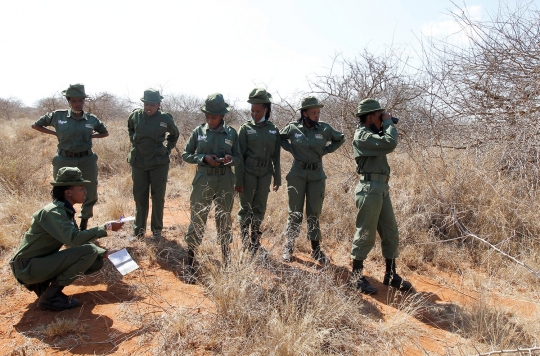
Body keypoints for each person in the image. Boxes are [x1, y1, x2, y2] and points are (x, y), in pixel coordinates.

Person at [9, 167, 124, 311]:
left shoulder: (63, 210)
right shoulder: (54, 212)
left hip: (32, 264)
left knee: (94, 258)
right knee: (89, 252)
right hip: (27, 268)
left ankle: (41, 285)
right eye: (81, 188)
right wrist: (106, 227)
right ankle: (50, 296)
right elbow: (73, 239)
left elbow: (75, 239)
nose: (85, 191)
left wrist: (104, 253)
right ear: (68, 192)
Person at [349, 98, 412, 294]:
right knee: (365, 233)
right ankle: (356, 277)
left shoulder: (373, 134)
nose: (383, 117)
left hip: (381, 188)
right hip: (369, 188)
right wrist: (388, 123)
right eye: (379, 114)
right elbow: (391, 143)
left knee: (390, 231)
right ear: (369, 116)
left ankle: (391, 275)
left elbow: (387, 141)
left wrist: (385, 123)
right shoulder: (362, 136)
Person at [31, 84, 109, 231]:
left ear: (84, 101)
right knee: (61, 191)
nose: (78, 104)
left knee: (90, 192)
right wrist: (55, 134)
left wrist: (92, 136)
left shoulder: (91, 119)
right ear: (69, 101)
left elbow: (105, 132)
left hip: (87, 160)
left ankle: (84, 225)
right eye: (74, 101)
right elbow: (36, 125)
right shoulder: (57, 116)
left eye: (81, 101)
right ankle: (67, 224)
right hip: (64, 159)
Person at [182, 93, 241, 282]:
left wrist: (231, 160)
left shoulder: (232, 133)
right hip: (203, 179)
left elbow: (239, 157)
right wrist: (203, 158)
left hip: (224, 180)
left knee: (224, 219)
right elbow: (186, 154)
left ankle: (226, 263)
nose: (209, 120)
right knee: (198, 218)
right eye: (207, 116)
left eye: (213, 117)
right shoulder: (198, 132)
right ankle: (189, 266)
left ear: (222, 116)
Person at [280, 96, 345, 264]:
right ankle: (289, 247)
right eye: (313, 112)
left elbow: (341, 138)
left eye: (318, 112)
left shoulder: (324, 129)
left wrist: (325, 150)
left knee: (314, 212)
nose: (317, 115)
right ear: (304, 113)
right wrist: (291, 149)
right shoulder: (293, 128)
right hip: (297, 174)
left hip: (316, 175)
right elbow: (280, 138)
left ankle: (316, 250)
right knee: (295, 211)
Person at [127, 89, 179, 239]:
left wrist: (167, 149)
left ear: (159, 104)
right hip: (139, 161)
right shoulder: (135, 116)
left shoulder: (165, 119)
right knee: (140, 196)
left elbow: (174, 134)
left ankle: (157, 230)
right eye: (146, 104)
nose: (148, 108)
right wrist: (134, 141)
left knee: (158, 196)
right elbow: (130, 128)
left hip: (158, 162)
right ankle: (139, 231)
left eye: (152, 105)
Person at [235, 88, 281, 256]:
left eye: (258, 111)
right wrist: (238, 180)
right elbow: (239, 156)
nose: (254, 113)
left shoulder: (273, 130)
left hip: (265, 173)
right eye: (252, 110)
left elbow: (276, 156)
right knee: (245, 207)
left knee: (259, 207)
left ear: (266, 110)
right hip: (248, 172)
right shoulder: (245, 129)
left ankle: (255, 240)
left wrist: (277, 177)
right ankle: (244, 239)